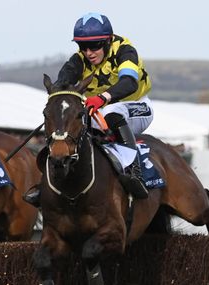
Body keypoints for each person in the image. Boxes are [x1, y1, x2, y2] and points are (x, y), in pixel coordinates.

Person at [27, 12, 152, 206]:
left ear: (108, 41)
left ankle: (134, 172)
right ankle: (50, 182)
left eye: (95, 46)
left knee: (112, 112)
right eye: (83, 46)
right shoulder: (77, 60)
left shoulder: (125, 51)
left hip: (137, 106)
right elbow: (62, 84)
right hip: (101, 109)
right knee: (72, 123)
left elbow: (129, 83)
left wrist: (102, 98)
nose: (89, 52)